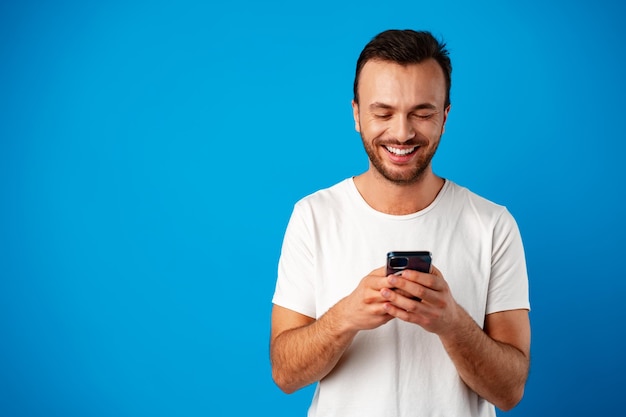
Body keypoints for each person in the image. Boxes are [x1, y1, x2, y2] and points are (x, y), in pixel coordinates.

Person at [270, 29, 530, 417]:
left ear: (445, 116)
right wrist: (346, 316)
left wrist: (452, 323)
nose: (402, 133)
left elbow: (510, 392)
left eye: (422, 113)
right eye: (383, 112)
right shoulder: (313, 216)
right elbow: (285, 374)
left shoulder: (493, 225)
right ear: (357, 114)